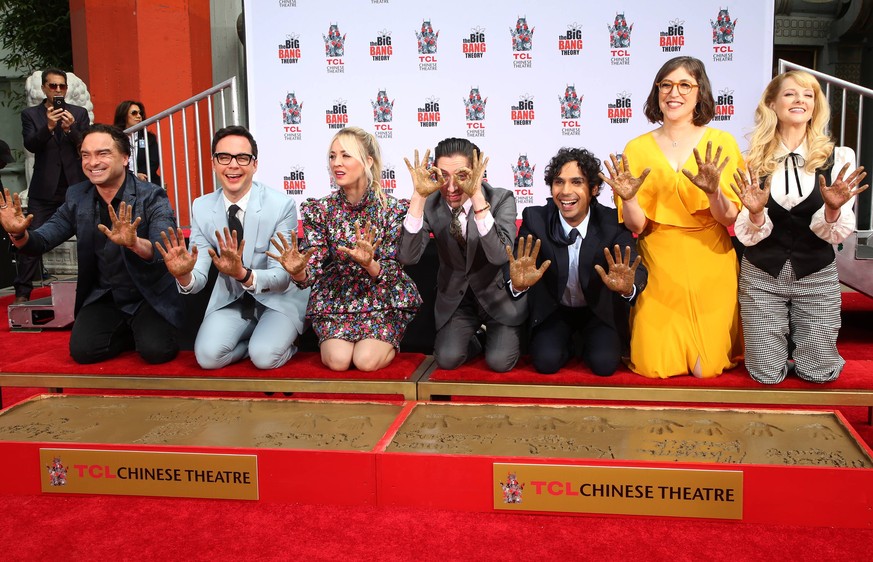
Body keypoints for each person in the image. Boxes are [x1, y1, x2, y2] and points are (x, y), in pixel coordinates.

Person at [600, 55, 744, 378]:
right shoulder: (636, 149)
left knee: (705, 370)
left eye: (684, 85)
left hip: (711, 258)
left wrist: (713, 192)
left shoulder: (722, 143)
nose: (673, 92)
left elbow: (729, 217)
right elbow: (636, 225)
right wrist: (630, 198)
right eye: (665, 85)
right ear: (656, 92)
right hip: (659, 262)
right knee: (654, 366)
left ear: (699, 92)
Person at [0, 124, 183, 364]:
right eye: (86, 155)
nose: (92, 162)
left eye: (102, 153)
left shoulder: (152, 196)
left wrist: (134, 243)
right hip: (104, 296)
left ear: (125, 158)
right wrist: (19, 235)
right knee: (84, 352)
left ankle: (146, 330)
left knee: (156, 352)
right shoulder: (77, 196)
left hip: (146, 296)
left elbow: (162, 249)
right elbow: (43, 239)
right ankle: (129, 333)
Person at [732, 70, 868, 384]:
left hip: (817, 273)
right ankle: (776, 349)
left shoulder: (839, 157)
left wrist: (832, 209)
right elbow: (749, 232)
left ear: (815, 106)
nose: (800, 100)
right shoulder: (750, 160)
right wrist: (754, 214)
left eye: (808, 95)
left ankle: (810, 347)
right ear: (772, 103)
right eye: (791, 93)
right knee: (765, 375)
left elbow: (835, 233)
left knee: (819, 374)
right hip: (762, 274)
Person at [154, 126, 309, 369]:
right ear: (214, 163)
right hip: (233, 299)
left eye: (242, 158)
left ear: (254, 164)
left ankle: (284, 341)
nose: (233, 165)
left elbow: (281, 277)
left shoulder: (281, 205)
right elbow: (199, 277)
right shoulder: (202, 207)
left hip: (278, 299)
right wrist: (183, 274)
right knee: (207, 358)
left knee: (265, 358)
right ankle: (253, 343)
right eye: (224, 157)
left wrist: (242, 274)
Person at [267, 126, 420, 371]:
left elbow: (392, 270)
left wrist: (370, 263)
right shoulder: (320, 209)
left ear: (368, 161)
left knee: (365, 361)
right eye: (332, 156)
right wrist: (298, 271)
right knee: (338, 362)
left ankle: (388, 340)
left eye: (346, 155)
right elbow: (311, 271)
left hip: (381, 297)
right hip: (337, 298)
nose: (336, 163)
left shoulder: (392, 208)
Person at [508, 147, 647, 375]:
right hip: (555, 309)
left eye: (576, 182)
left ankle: (586, 344)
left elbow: (636, 268)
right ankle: (571, 345)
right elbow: (516, 264)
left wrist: (627, 288)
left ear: (593, 189)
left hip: (598, 311)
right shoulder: (536, 219)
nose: (565, 191)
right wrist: (517, 284)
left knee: (604, 365)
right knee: (545, 363)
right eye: (558, 182)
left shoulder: (612, 222)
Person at [398, 138, 524, 372]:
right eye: (443, 175)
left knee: (499, 362)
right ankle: (475, 339)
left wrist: (476, 197)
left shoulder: (501, 199)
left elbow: (498, 256)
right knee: (446, 359)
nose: (452, 187)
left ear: (477, 173)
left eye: (462, 176)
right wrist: (418, 197)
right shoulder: (430, 202)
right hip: (457, 298)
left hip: (496, 296)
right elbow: (407, 257)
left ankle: (501, 337)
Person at [14, 68, 90, 303]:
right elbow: (31, 145)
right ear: (44, 88)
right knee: (31, 237)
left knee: (88, 238)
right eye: (53, 86)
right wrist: (47, 126)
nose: (58, 90)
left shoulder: (78, 113)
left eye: (62, 86)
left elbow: (85, 146)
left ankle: (91, 289)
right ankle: (23, 293)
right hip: (44, 189)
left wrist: (70, 129)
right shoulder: (31, 115)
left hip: (76, 186)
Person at [113, 100, 160, 186]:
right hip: (120, 182)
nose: (139, 116)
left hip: (145, 181)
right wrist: (133, 176)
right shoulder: (114, 138)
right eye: (134, 113)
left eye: (140, 113)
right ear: (124, 116)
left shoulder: (148, 137)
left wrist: (141, 175)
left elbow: (153, 161)